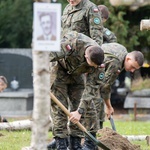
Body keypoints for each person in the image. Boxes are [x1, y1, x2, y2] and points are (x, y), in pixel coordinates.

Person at [48, 0, 104, 148]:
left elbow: (97, 37)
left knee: (82, 104)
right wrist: (40, 70)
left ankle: (76, 143)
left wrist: (89, 63)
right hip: (62, 64)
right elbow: (54, 49)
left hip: (83, 64)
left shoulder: (90, 9)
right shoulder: (67, 9)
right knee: (58, 106)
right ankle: (60, 141)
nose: (71, 1)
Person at [70, 42, 144, 150]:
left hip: (86, 68)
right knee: (93, 105)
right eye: (132, 67)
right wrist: (109, 107)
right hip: (85, 72)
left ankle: (87, 138)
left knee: (92, 103)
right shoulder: (116, 63)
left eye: (135, 69)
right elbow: (105, 87)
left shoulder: (122, 49)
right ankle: (89, 142)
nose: (132, 70)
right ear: (128, 59)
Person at [49, 31, 113, 150]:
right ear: (86, 56)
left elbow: (90, 90)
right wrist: (40, 74)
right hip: (60, 70)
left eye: (95, 66)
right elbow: (49, 55)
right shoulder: (72, 42)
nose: (93, 67)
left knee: (79, 106)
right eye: (91, 64)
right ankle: (61, 144)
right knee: (59, 108)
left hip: (77, 74)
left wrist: (79, 111)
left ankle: (75, 144)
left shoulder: (98, 64)